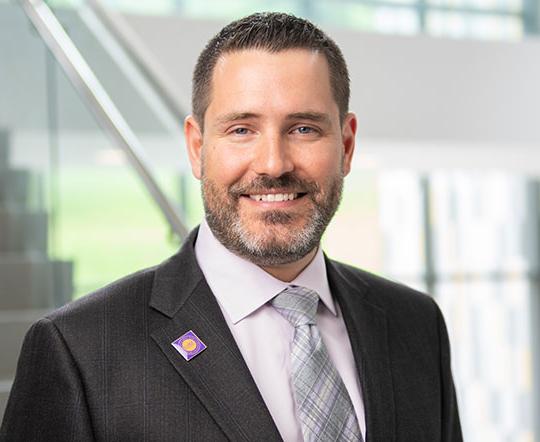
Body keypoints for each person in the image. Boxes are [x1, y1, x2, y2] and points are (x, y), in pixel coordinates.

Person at [1, 12, 462, 442]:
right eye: (242, 129)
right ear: (197, 146)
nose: (274, 164)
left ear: (346, 144)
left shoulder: (415, 325)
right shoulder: (80, 351)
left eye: (303, 128)